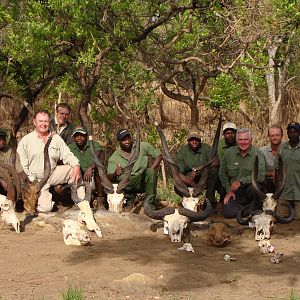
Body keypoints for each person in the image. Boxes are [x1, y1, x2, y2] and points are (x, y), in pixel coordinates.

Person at [17, 109, 83, 213]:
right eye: (41, 121)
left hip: (53, 174)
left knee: (73, 170)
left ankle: (81, 203)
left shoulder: (55, 138)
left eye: (46, 121)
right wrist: (32, 182)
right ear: (34, 122)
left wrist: (76, 165)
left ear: (49, 122)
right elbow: (22, 165)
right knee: (45, 208)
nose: (43, 124)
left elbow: (67, 154)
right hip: (35, 179)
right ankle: (45, 201)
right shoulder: (26, 140)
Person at [107, 128, 162, 207]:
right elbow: (109, 177)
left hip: (141, 180)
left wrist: (152, 169)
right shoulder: (114, 157)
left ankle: (149, 204)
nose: (127, 141)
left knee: (150, 172)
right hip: (126, 185)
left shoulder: (142, 146)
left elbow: (159, 155)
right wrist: (115, 173)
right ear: (119, 142)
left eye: (128, 138)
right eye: (124, 140)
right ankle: (131, 198)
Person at [219, 128, 265, 218]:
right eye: (240, 140)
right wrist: (229, 191)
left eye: (246, 139)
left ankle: (251, 208)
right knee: (228, 213)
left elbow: (261, 176)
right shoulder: (229, 153)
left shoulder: (258, 154)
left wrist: (241, 182)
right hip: (235, 192)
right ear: (236, 140)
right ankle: (250, 211)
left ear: (251, 140)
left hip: (251, 190)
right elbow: (222, 174)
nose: (243, 142)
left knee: (255, 187)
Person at [68, 125, 106, 208]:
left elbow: (101, 156)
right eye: (77, 136)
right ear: (73, 137)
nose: (79, 138)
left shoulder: (94, 144)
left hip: (91, 177)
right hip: (78, 178)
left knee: (99, 171)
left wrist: (91, 167)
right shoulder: (70, 147)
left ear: (86, 136)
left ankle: (100, 200)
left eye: (82, 135)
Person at [175, 130, 213, 201]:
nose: (194, 142)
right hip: (189, 179)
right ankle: (188, 200)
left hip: (203, 178)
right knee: (177, 186)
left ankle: (209, 200)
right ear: (188, 141)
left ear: (200, 141)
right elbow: (179, 173)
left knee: (214, 172)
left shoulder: (206, 148)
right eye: (192, 140)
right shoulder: (182, 151)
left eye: (197, 140)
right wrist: (192, 184)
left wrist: (197, 169)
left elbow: (215, 162)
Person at [207, 122, 237, 209]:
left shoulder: (240, 143)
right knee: (213, 171)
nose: (230, 135)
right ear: (224, 134)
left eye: (232, 133)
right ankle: (209, 201)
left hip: (235, 175)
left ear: (236, 133)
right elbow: (213, 160)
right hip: (222, 174)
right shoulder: (218, 144)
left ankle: (223, 201)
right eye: (227, 133)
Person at [278, 122, 300, 219]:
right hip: (285, 192)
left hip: (299, 192)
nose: (293, 134)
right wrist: (278, 190)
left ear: (299, 133)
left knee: (298, 218)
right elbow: (277, 170)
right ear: (287, 133)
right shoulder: (282, 148)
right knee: (280, 216)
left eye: (295, 132)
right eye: (290, 132)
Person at [0, 128, 25, 194]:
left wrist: (27, 181)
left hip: (9, 182)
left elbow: (20, 171)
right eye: (0, 139)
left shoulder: (11, 152)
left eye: (3, 138)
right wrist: (1, 181)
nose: (2, 141)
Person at [260, 125, 283, 192]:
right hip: (267, 184)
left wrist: (278, 174)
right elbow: (258, 172)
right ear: (268, 137)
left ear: (282, 135)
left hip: (286, 183)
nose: (275, 138)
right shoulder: (261, 151)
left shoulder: (288, 150)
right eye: (272, 135)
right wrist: (271, 173)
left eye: (277, 135)